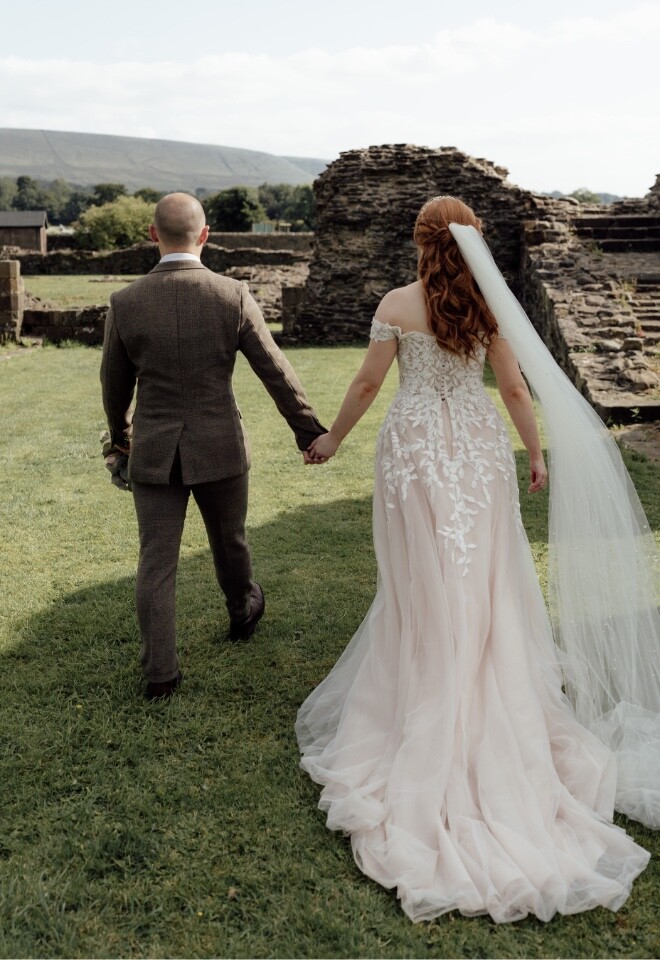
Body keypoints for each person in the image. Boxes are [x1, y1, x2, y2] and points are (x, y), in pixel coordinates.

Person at [296, 196, 653, 923]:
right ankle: (478, 685)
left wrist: (333, 438)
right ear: (472, 242)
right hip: (477, 455)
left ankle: (424, 690)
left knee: (421, 583)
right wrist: (534, 451)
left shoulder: (397, 303)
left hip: (418, 454)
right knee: (483, 581)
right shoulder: (491, 304)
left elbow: (368, 383)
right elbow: (515, 388)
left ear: (419, 240)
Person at [101, 193, 326, 701]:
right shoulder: (232, 295)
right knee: (231, 540)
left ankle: (161, 673)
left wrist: (119, 442)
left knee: (156, 559)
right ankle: (243, 611)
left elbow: (114, 389)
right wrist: (308, 431)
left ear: (153, 235)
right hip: (220, 442)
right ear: (205, 235)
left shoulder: (126, 302)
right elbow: (276, 372)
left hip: (154, 451)